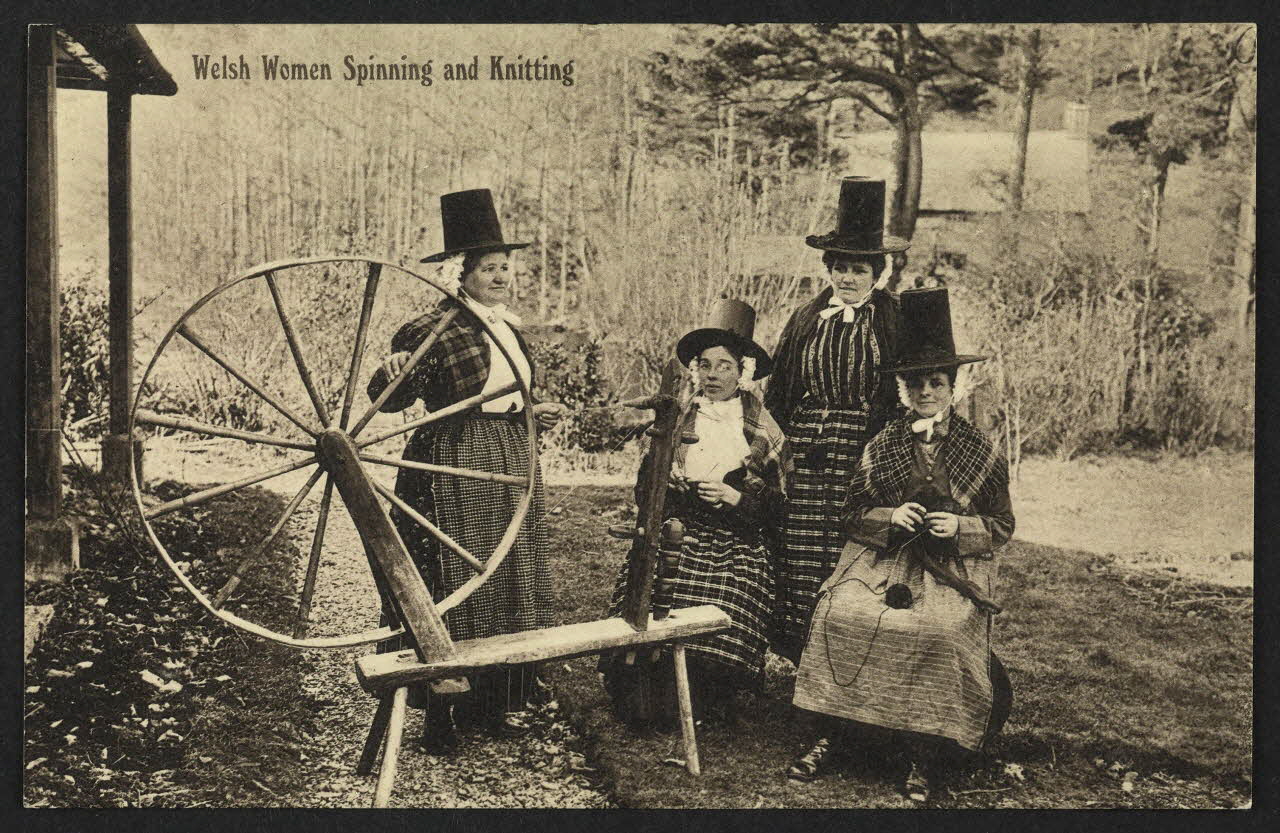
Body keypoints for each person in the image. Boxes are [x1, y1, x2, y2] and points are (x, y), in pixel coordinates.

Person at [787, 288, 1015, 803]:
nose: (926, 391)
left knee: (937, 630)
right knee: (838, 615)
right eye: (916, 382)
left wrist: (959, 528)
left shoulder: (980, 449)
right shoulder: (883, 442)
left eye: (937, 381)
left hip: (950, 568)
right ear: (903, 388)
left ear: (952, 386)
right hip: (881, 557)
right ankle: (834, 734)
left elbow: (1001, 524)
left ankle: (924, 752)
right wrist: (890, 515)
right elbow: (848, 513)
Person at [366, 188, 567, 752]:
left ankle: (500, 700)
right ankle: (442, 708)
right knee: (457, 575)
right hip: (455, 460)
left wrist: (531, 412)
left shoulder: (507, 324)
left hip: (509, 455)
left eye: (506, 267)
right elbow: (393, 395)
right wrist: (390, 374)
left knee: (508, 574)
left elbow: (512, 390)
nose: (502, 277)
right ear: (461, 272)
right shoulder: (434, 326)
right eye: (489, 268)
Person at [601, 299, 793, 727]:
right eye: (705, 366)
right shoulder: (678, 416)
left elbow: (778, 506)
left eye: (724, 366)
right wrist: (667, 487)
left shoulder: (764, 428)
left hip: (738, 539)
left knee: (730, 587)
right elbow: (643, 489)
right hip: (679, 529)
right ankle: (646, 690)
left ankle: (706, 696)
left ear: (742, 371)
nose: (712, 376)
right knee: (655, 582)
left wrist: (735, 497)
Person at [765, 177, 907, 664]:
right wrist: (785, 446)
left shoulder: (891, 318)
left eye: (859, 269)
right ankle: (801, 650)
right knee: (800, 545)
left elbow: (901, 393)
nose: (847, 278)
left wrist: (882, 449)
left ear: (877, 273)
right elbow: (779, 390)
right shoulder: (807, 317)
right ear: (828, 268)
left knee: (847, 542)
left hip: (864, 447)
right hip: (808, 449)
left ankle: (848, 649)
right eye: (840, 267)